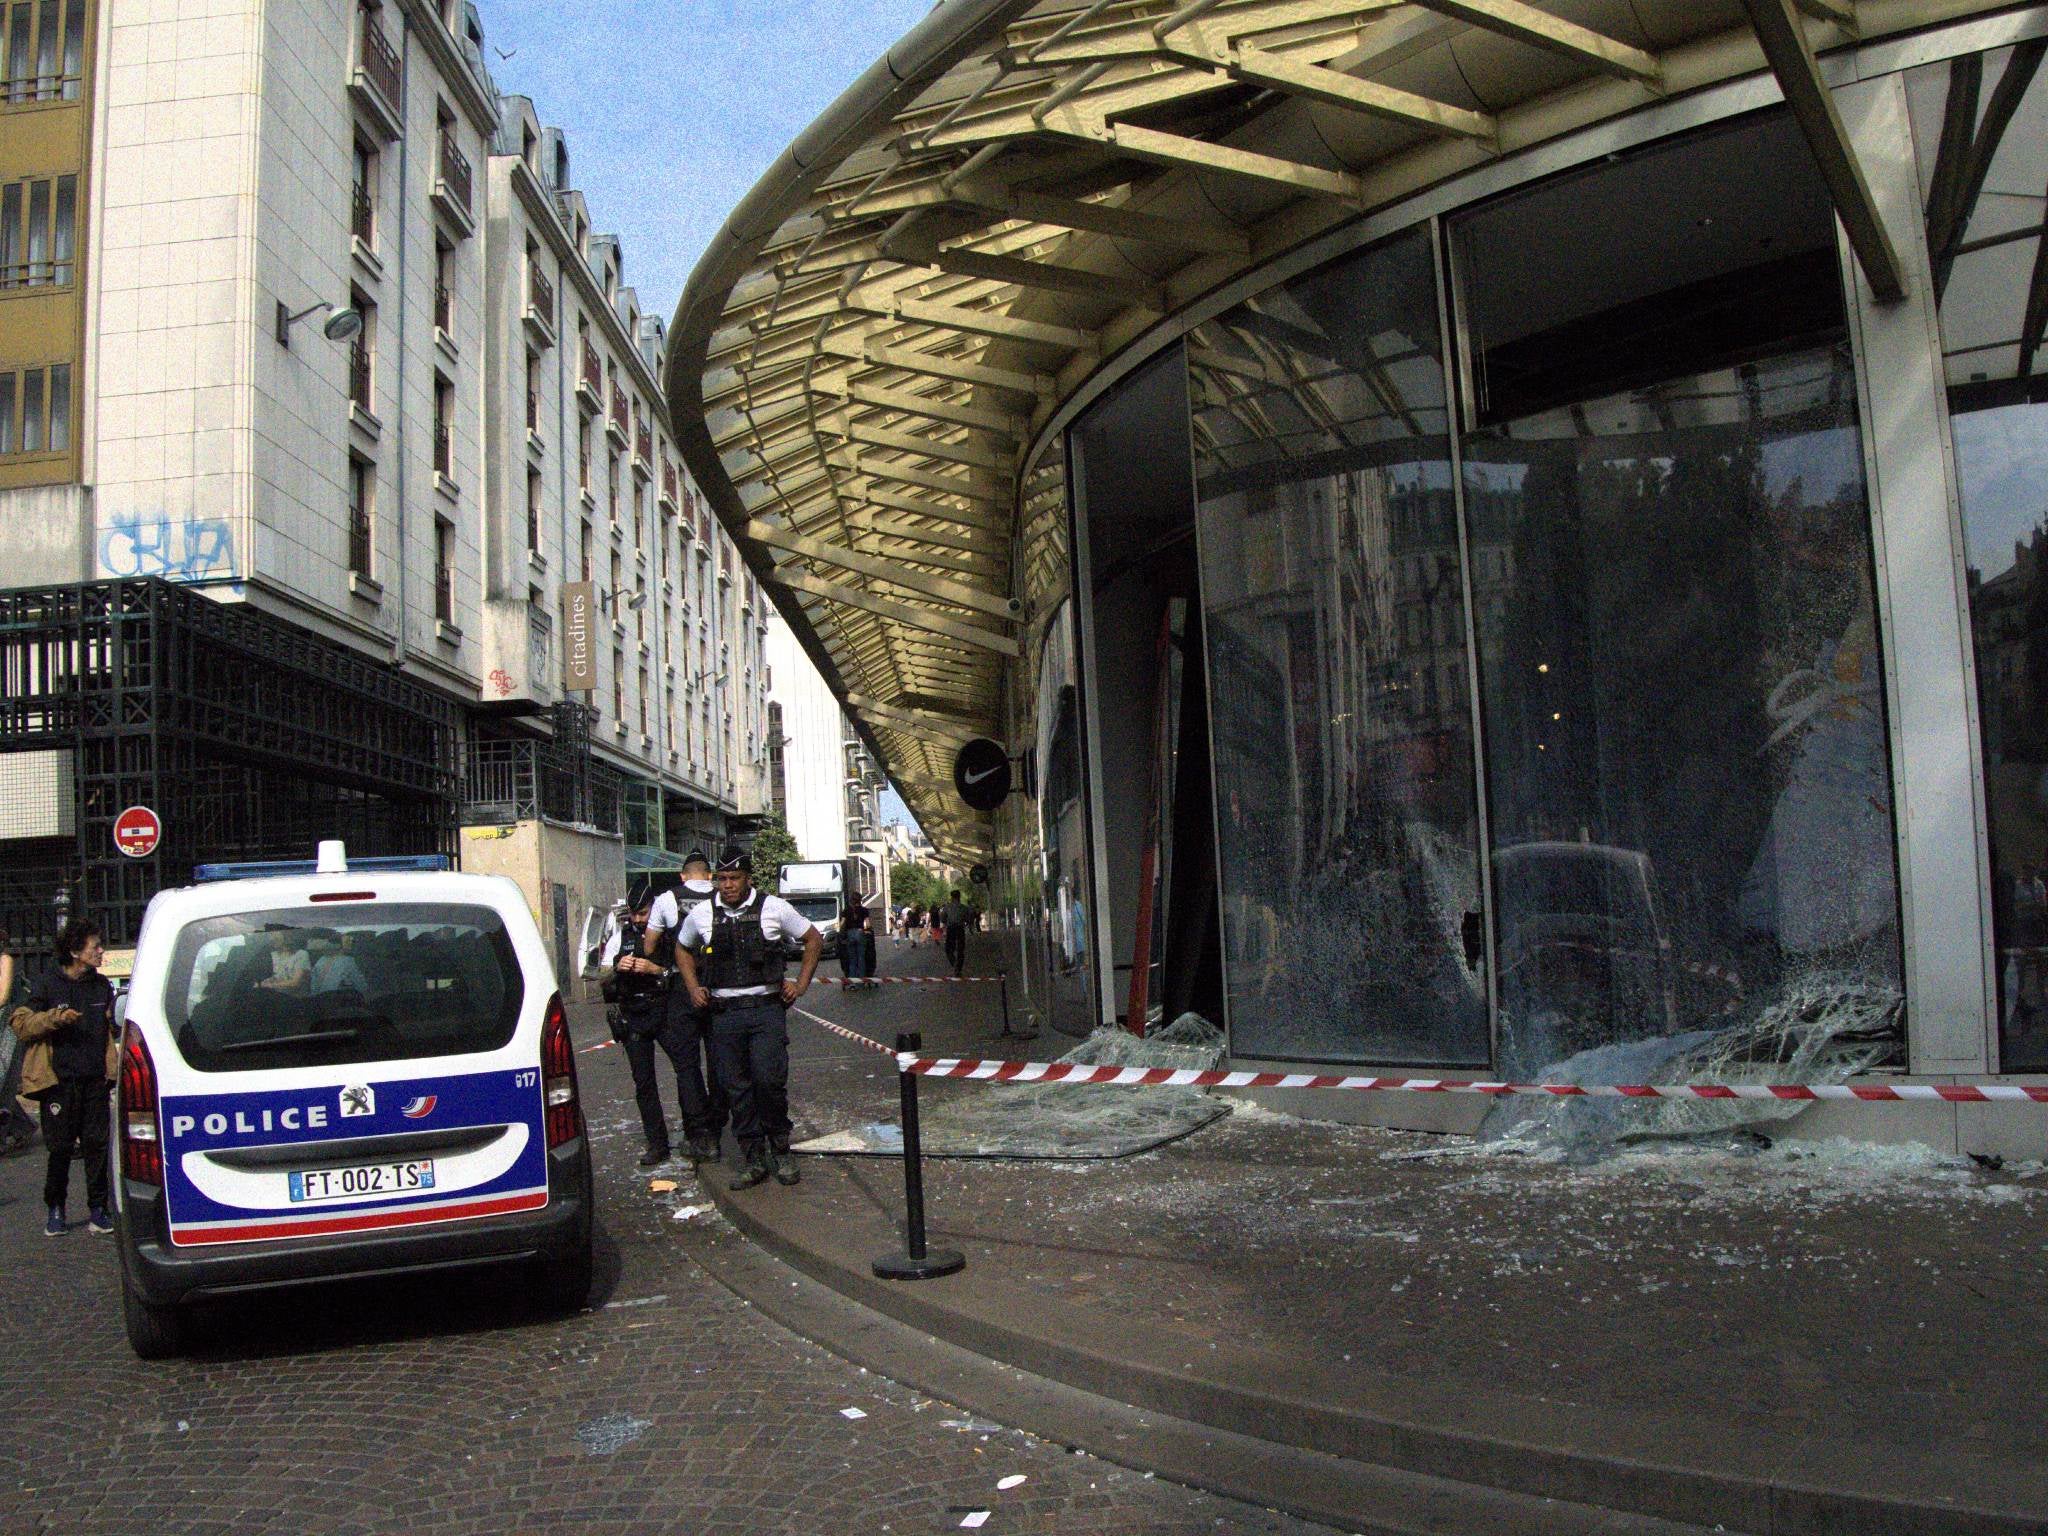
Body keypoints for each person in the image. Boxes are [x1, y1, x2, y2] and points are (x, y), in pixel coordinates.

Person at [675, 852, 822, 1191]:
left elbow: (813, 939)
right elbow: (682, 949)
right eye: (722, 880)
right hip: (724, 1015)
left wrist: (800, 984)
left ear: (748, 879)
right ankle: (753, 1157)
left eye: (734, 879)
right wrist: (692, 986)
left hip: (766, 1011)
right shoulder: (702, 914)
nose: (727, 886)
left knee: (768, 1081)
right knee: (736, 1088)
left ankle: (781, 1150)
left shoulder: (774, 908)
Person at [9, 918, 119, 1236]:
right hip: (58, 1083)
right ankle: (55, 1208)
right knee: (59, 1149)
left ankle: (98, 1209)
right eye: (95, 946)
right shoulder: (47, 985)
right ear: (74, 951)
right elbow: (22, 1023)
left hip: (96, 1080)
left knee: (98, 1146)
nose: (101, 951)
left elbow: (112, 1026)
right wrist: (55, 1018)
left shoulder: (101, 985)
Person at [602, 891, 710, 1168]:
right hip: (634, 1016)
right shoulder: (621, 938)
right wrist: (617, 967)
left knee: (686, 1070)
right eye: (633, 914)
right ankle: (657, 1143)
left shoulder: (666, 937)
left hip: (665, 1012)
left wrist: (654, 969)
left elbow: (679, 971)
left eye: (643, 914)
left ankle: (697, 1133)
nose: (638, 920)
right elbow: (601, 977)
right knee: (644, 1083)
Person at [643, 851, 726, 1162]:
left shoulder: (667, 899)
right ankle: (718, 1127)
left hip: (681, 988)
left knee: (686, 1066)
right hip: (719, 986)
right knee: (719, 1060)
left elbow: (649, 946)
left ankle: (699, 1134)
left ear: (682, 876)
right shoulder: (724, 895)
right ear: (709, 875)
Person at [838, 900, 876, 991]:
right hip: (860, 933)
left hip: (850, 934)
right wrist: (869, 930)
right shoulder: (864, 910)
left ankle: (852, 983)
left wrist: (840, 932)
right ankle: (862, 981)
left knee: (852, 959)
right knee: (861, 958)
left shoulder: (846, 910)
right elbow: (867, 923)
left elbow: (842, 923)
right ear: (860, 900)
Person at [258, 929, 310, 993]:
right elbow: (275, 976)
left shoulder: (301, 954)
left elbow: (296, 982)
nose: (271, 938)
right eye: (270, 934)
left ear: (286, 934)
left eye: (273, 933)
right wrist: (264, 982)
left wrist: (269, 985)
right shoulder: (273, 955)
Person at [941, 890, 973, 977]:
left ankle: (954, 964)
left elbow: (943, 918)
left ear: (951, 897)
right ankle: (958, 968)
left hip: (951, 929)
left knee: (948, 949)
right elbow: (968, 919)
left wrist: (947, 921)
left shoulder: (947, 907)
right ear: (959, 897)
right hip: (960, 929)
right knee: (960, 949)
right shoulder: (964, 908)